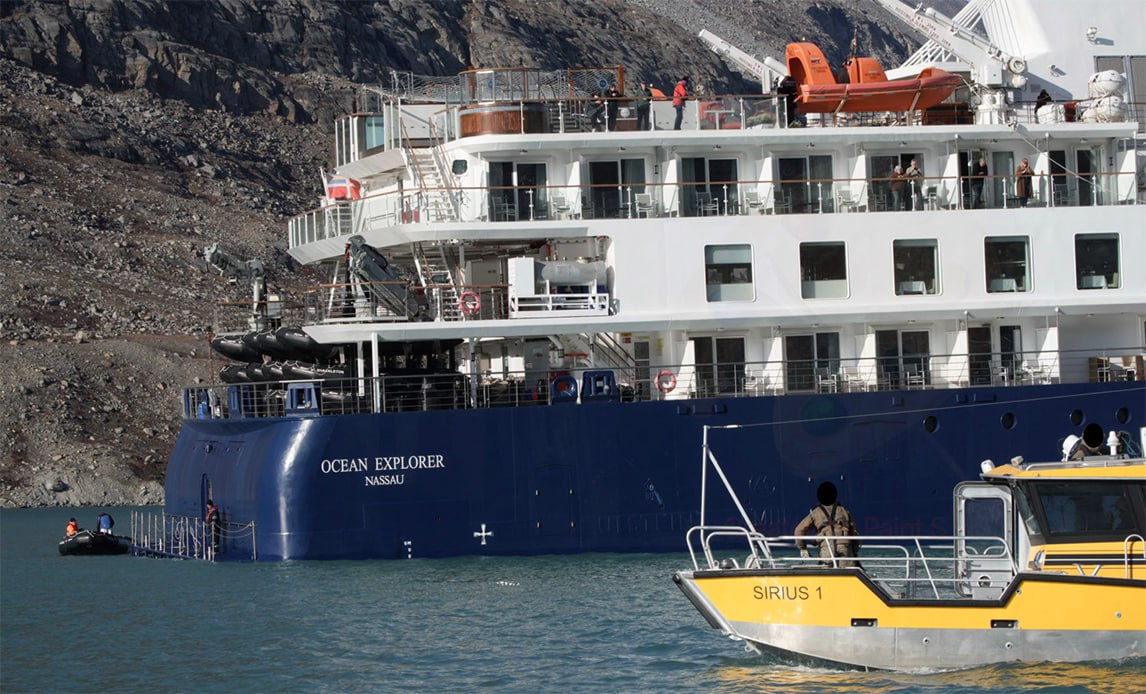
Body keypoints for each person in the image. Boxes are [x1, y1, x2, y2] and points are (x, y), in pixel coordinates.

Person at [794, 481, 859, 567]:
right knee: (849, 573)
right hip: (845, 549)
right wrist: (854, 549)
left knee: (825, 573)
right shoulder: (844, 511)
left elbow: (799, 530)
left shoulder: (816, 513)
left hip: (827, 549)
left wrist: (803, 548)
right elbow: (853, 531)